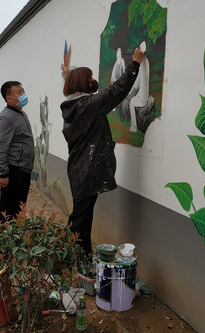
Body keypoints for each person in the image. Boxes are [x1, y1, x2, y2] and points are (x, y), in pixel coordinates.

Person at [60, 47, 145, 254]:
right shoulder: (89, 104)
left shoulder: (73, 105)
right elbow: (117, 91)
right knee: (80, 219)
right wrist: (135, 64)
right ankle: (74, 258)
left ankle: (78, 255)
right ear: (83, 84)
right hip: (87, 171)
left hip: (79, 169)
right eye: (90, 78)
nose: (93, 81)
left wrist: (66, 73)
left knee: (81, 216)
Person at [0, 81, 34, 224]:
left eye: (23, 91)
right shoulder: (6, 118)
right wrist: (2, 174)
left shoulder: (21, 114)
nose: (23, 95)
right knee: (7, 209)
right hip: (14, 171)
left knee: (18, 208)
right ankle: (1, 243)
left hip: (23, 170)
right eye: (19, 93)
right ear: (9, 98)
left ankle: (15, 241)